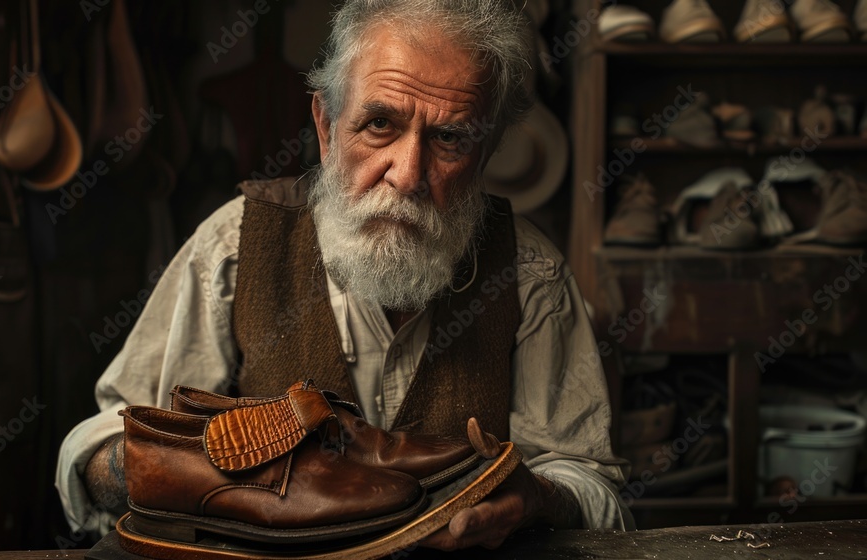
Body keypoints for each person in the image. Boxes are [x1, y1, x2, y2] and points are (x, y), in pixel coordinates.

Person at [56, 0, 634, 550]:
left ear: (487, 154)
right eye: (380, 123)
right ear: (328, 127)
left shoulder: (531, 276)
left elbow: (596, 489)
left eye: (450, 138)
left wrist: (536, 499)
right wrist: (198, 472)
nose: (407, 175)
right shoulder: (234, 248)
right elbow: (93, 448)